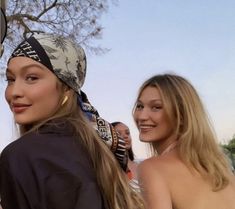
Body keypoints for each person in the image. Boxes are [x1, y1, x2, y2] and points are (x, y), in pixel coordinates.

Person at [0, 33, 145, 209]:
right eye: (10, 79)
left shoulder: (21, 155)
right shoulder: (101, 146)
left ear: (66, 87)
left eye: (31, 78)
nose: (13, 92)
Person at [133, 73, 235, 209]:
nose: (142, 116)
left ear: (181, 115)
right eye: (140, 106)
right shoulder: (220, 168)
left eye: (156, 107)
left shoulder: (152, 168)